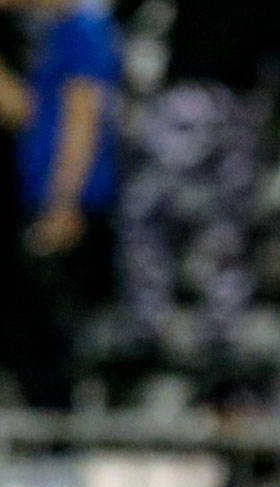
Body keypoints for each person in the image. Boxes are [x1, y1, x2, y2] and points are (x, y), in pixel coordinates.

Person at [0, 0, 119, 408]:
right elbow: (21, 111)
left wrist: (64, 202)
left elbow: (82, 114)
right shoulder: (55, 33)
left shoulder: (84, 27)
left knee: (52, 344)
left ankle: (59, 451)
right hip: (42, 202)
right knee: (27, 338)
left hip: (71, 208)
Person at [118, 1, 280, 396]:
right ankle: (167, 327)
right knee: (170, 218)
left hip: (223, 101)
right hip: (219, 100)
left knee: (197, 224)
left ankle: (203, 332)